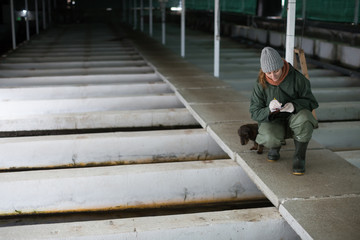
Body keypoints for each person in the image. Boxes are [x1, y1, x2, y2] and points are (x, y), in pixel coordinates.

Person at [249, 47, 319, 175]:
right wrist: (268, 110)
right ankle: (274, 147)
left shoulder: (297, 78)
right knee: (269, 137)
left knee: (306, 118)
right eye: (268, 73)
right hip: (274, 120)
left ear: (281, 66)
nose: (273, 76)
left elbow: (312, 102)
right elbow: (254, 112)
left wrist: (294, 106)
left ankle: (299, 157)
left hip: (294, 117)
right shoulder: (260, 84)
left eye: (276, 71)